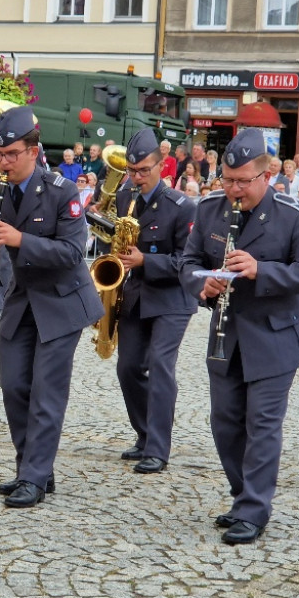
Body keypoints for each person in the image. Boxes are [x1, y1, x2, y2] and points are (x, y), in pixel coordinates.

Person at [180, 128, 299, 544]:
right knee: (225, 422)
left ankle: (254, 509)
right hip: (227, 334)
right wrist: (201, 285)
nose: (234, 189)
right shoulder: (209, 209)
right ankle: (243, 494)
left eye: (243, 181)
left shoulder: (293, 214)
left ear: (266, 175)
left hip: (275, 335)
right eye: (227, 179)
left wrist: (262, 269)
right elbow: (189, 261)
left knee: (262, 424)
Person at [0, 105, 104, 508]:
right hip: (22, 300)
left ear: (32, 150)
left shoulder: (62, 190)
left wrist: (18, 239)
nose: (4, 162)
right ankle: (34, 466)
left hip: (62, 302)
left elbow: (71, 251)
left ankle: (32, 475)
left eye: (12, 154)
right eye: (1, 155)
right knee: (14, 387)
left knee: (46, 392)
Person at [113, 128, 197, 474]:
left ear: (161, 166)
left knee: (161, 367)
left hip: (172, 297)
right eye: (132, 171)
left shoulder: (182, 206)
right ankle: (144, 433)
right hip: (136, 295)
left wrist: (146, 261)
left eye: (144, 171)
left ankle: (158, 448)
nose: (137, 178)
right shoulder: (124, 196)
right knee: (128, 366)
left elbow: (187, 261)